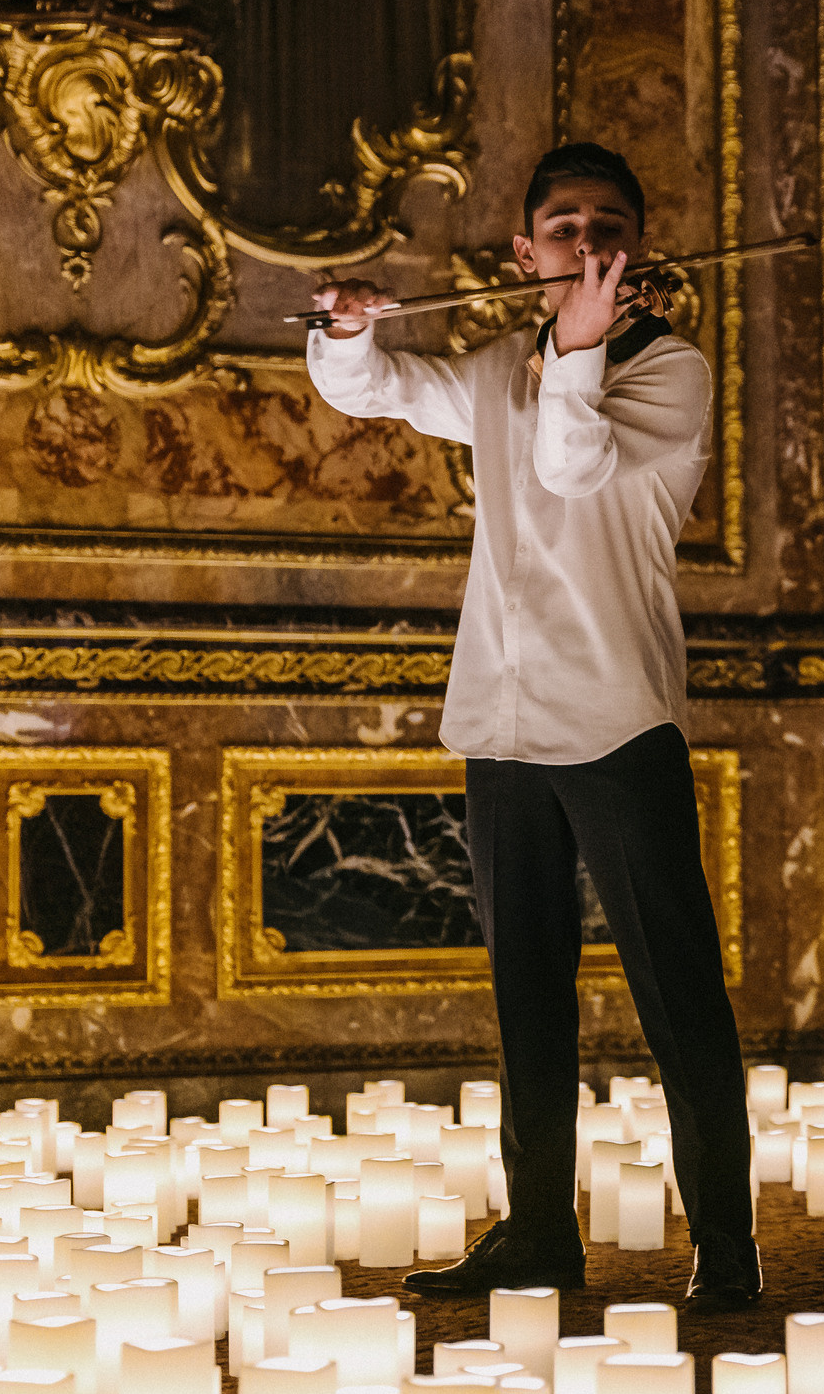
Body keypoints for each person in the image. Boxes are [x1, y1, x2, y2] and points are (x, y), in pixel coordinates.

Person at [305, 142, 759, 1311]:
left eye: (610, 224)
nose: (589, 242)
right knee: (528, 998)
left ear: (638, 250)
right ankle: (541, 1236)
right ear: (524, 253)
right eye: (564, 227)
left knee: (677, 991)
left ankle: (728, 1241)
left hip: (616, 720)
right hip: (500, 725)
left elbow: (570, 464)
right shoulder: (504, 362)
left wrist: (580, 348)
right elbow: (373, 391)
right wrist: (352, 328)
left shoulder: (673, 374)